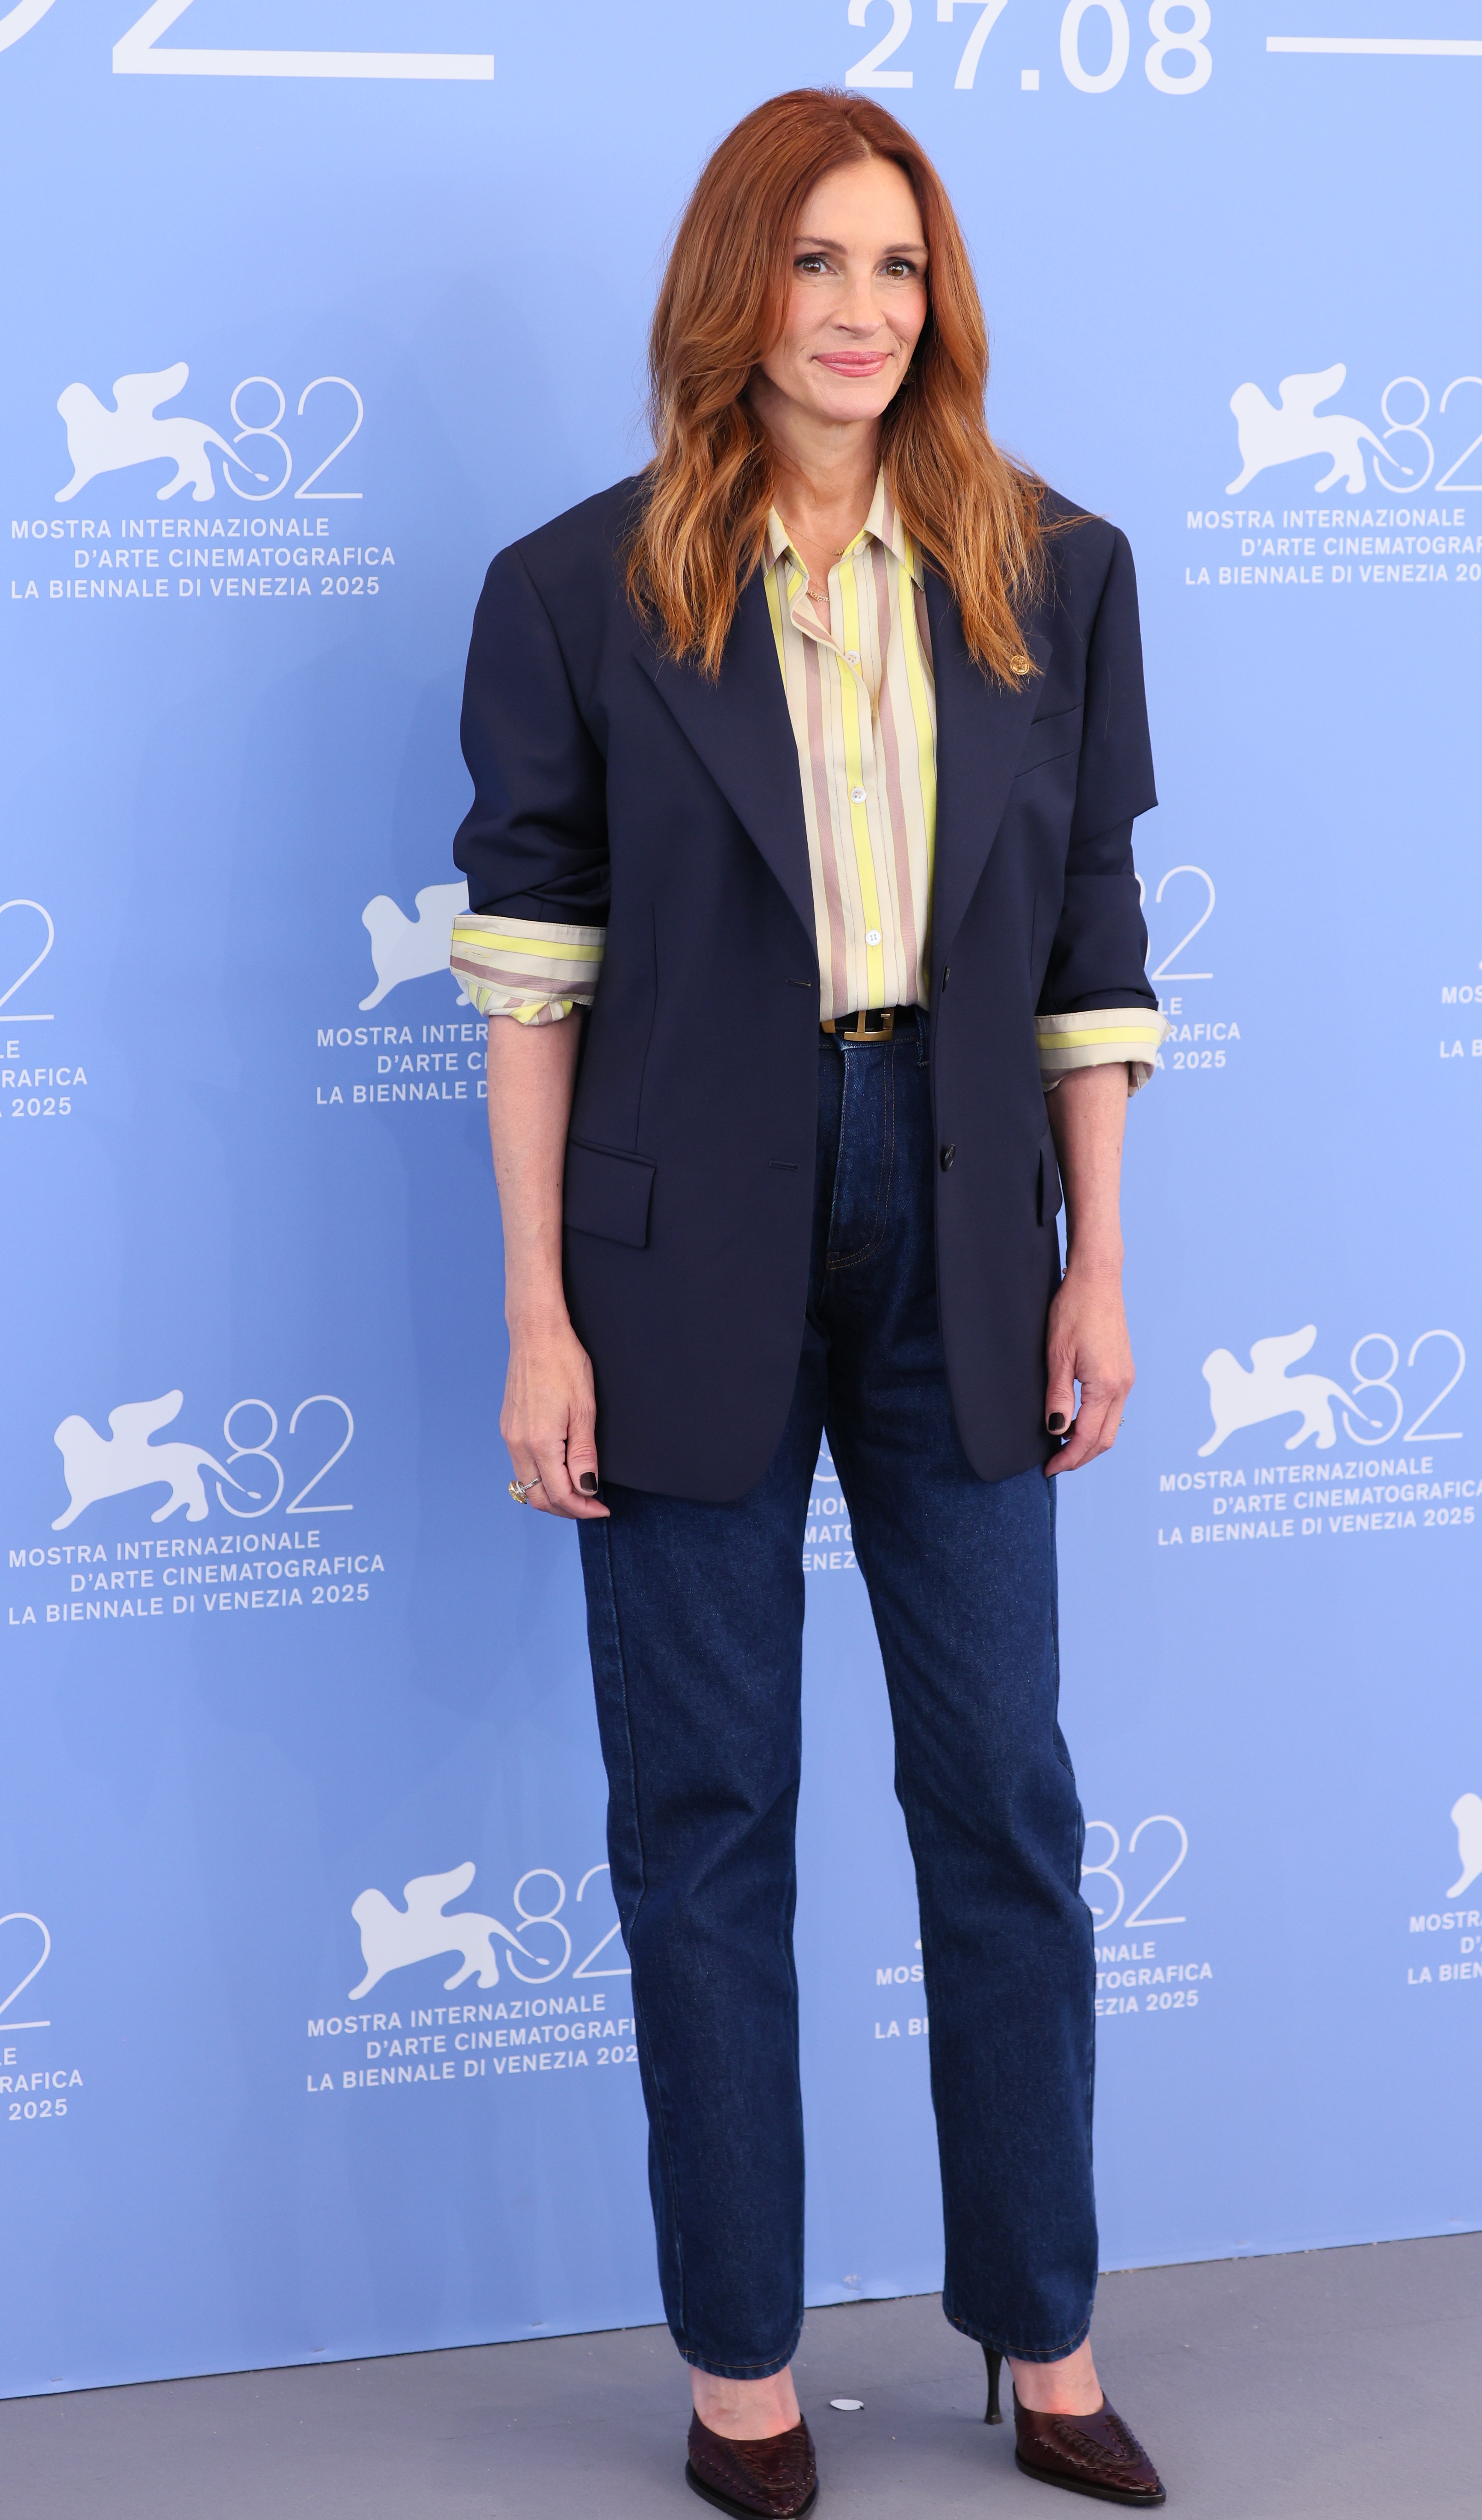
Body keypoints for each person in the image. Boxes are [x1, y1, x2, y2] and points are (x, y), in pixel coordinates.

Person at [450, 87, 1168, 2517]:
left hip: (968, 1233)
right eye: (817, 263)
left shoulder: (1055, 574)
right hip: (679, 1247)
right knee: (705, 1816)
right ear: (730, 292)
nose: (863, 310)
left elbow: (1088, 955)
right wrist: (541, 1314)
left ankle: (1041, 2339)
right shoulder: (576, 593)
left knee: (1006, 1802)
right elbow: (532, 982)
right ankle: (740, 2372)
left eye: (899, 267)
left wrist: (1099, 1262)